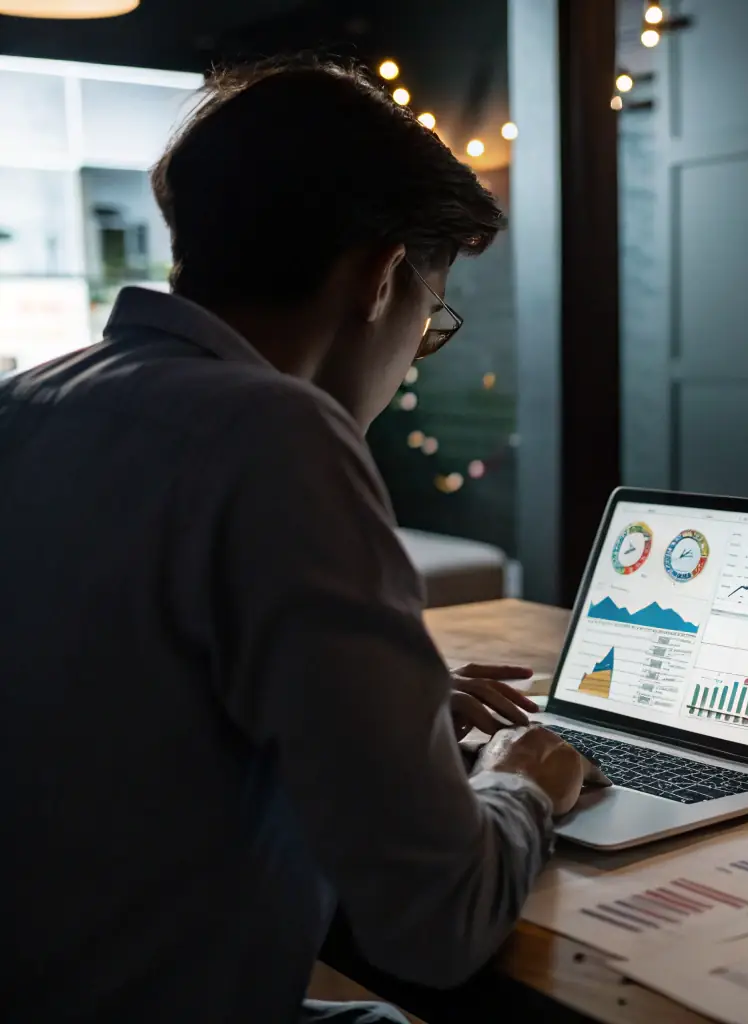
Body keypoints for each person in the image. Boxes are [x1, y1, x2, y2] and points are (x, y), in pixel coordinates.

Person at [0, 58, 603, 1023]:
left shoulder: (29, 402)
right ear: (377, 277)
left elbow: (110, 707)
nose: (413, 358)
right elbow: (437, 924)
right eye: (430, 321)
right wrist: (524, 781)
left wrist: (371, 710)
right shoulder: (274, 431)